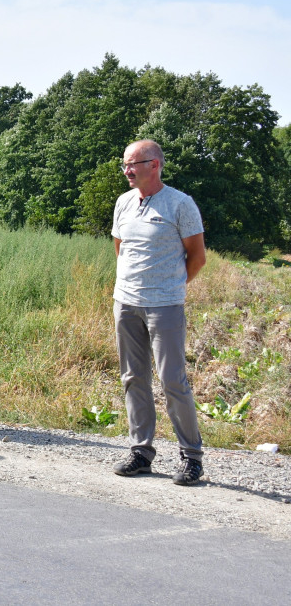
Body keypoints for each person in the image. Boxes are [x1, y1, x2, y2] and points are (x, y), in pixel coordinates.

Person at [111, 139, 207, 485]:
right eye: (124, 164)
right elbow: (121, 250)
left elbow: (196, 257)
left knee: (172, 380)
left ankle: (191, 456)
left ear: (154, 165)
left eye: (133, 164)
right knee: (133, 378)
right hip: (126, 302)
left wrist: (172, 288)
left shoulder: (181, 204)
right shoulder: (123, 203)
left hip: (165, 305)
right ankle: (141, 452)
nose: (127, 170)